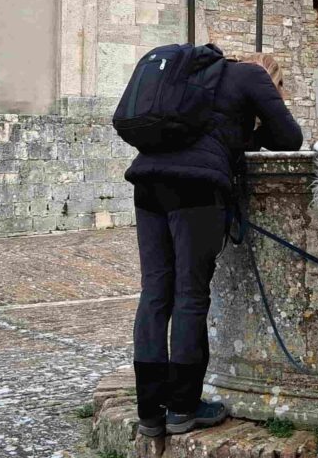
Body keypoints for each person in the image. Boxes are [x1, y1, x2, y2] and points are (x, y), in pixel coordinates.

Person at [125, 48, 303, 437]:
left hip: (147, 182)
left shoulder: (191, 78)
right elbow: (289, 137)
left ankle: (149, 411)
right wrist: (250, 131)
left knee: (155, 294)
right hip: (196, 190)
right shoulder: (252, 78)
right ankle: (184, 408)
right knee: (190, 295)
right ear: (273, 77)